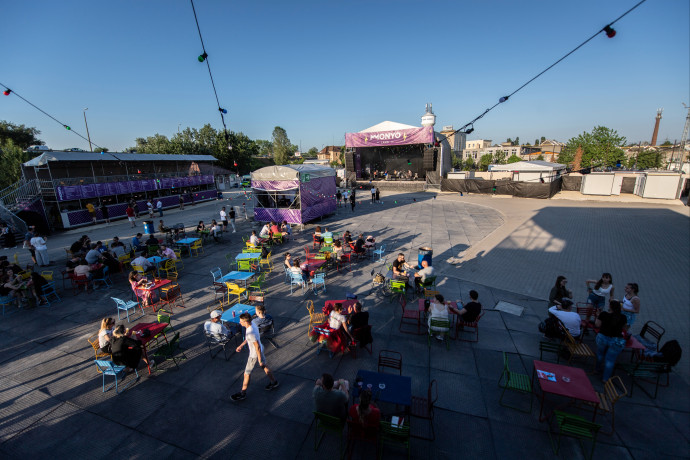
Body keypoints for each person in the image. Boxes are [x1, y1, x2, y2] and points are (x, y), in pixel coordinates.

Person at [231, 312, 279, 401]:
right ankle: (274, 382)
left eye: (241, 321)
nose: (239, 322)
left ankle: (243, 393)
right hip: (261, 347)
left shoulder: (250, 332)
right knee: (264, 366)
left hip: (254, 355)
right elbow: (249, 339)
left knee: (246, 373)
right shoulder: (252, 323)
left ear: (246, 322)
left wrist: (259, 359)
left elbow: (256, 346)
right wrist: (241, 345)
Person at [594, 300, 628, 381]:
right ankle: (605, 379)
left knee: (600, 354)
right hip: (616, 340)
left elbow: (597, 325)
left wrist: (598, 315)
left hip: (603, 337)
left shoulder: (604, 314)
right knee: (610, 360)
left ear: (610, 306)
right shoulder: (623, 317)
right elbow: (625, 328)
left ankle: (597, 369)